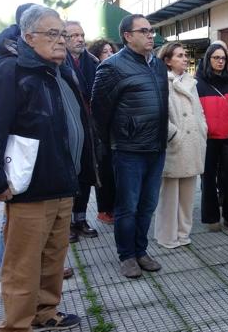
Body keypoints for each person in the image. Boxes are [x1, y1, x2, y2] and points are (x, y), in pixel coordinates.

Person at [0, 4, 93, 331]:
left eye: (63, 35)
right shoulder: (12, 70)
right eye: (52, 34)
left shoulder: (60, 71)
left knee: (53, 260)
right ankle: (17, 324)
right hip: (30, 191)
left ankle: (45, 312)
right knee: (22, 265)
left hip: (64, 184)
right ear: (28, 36)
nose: (61, 41)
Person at [91, 14, 169, 278]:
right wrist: (114, 141)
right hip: (128, 150)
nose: (151, 35)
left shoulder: (157, 65)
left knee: (148, 205)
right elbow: (100, 114)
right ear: (127, 36)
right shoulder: (112, 67)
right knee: (128, 206)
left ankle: (141, 250)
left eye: (152, 30)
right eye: (144, 30)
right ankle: (127, 256)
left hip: (156, 148)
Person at [154, 42, 206, 248]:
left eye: (185, 55)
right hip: (175, 145)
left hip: (192, 144)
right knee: (169, 196)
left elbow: (199, 111)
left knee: (187, 195)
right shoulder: (161, 81)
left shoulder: (191, 82)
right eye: (179, 55)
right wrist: (173, 135)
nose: (185, 58)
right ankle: (167, 236)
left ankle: (184, 233)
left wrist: (203, 129)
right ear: (167, 60)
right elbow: (158, 114)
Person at [197, 43, 228, 231]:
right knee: (207, 179)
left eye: (223, 58)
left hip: (227, 137)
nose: (220, 61)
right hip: (207, 138)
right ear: (208, 59)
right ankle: (211, 218)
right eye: (216, 57)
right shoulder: (198, 83)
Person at [65, 21, 99, 243]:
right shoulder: (59, 62)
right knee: (68, 175)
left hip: (89, 126)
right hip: (68, 126)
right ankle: (65, 222)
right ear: (64, 39)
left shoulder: (92, 62)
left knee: (86, 174)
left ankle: (80, 219)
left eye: (82, 35)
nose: (80, 39)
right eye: (74, 35)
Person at [87, 38, 119, 224]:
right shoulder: (96, 72)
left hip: (115, 128)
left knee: (115, 171)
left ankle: (114, 207)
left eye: (111, 51)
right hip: (99, 130)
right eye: (105, 52)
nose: (110, 54)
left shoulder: (116, 71)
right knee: (104, 170)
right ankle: (104, 210)